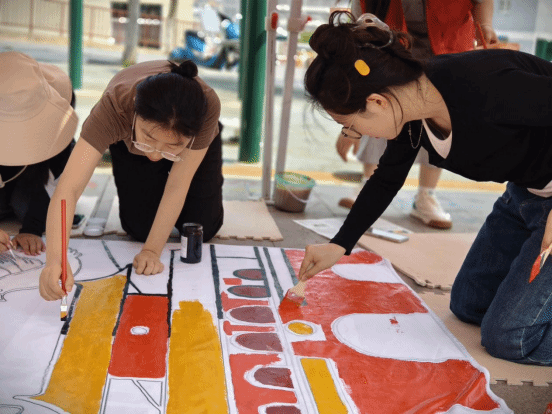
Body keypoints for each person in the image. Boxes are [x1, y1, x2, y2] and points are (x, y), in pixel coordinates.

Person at [298, 11, 552, 366]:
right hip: (525, 193)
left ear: (377, 102)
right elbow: (386, 178)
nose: (356, 135)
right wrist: (340, 244)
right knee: (468, 305)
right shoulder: (410, 114)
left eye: (350, 125)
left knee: (510, 339)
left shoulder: (483, 84)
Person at [38, 59, 224, 301]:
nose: (155, 156)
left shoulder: (207, 106)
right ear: (135, 111)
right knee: (138, 228)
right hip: (130, 144)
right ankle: (156, 142)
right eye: (149, 138)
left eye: (170, 146)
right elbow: (69, 189)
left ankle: (163, 142)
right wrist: (55, 260)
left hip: (189, 140)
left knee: (201, 228)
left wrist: (152, 251)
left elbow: (178, 184)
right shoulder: (113, 108)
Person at [335, 0, 498, 230]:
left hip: (449, 46)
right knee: (380, 100)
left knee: (439, 118)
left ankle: (426, 195)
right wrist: (352, 122)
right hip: (390, 46)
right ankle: (368, 184)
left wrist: (485, 25)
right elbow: (359, 53)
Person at [0, 52, 77, 256]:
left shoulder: (57, 117)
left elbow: (53, 186)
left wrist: (31, 229)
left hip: (33, 180)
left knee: (31, 208)